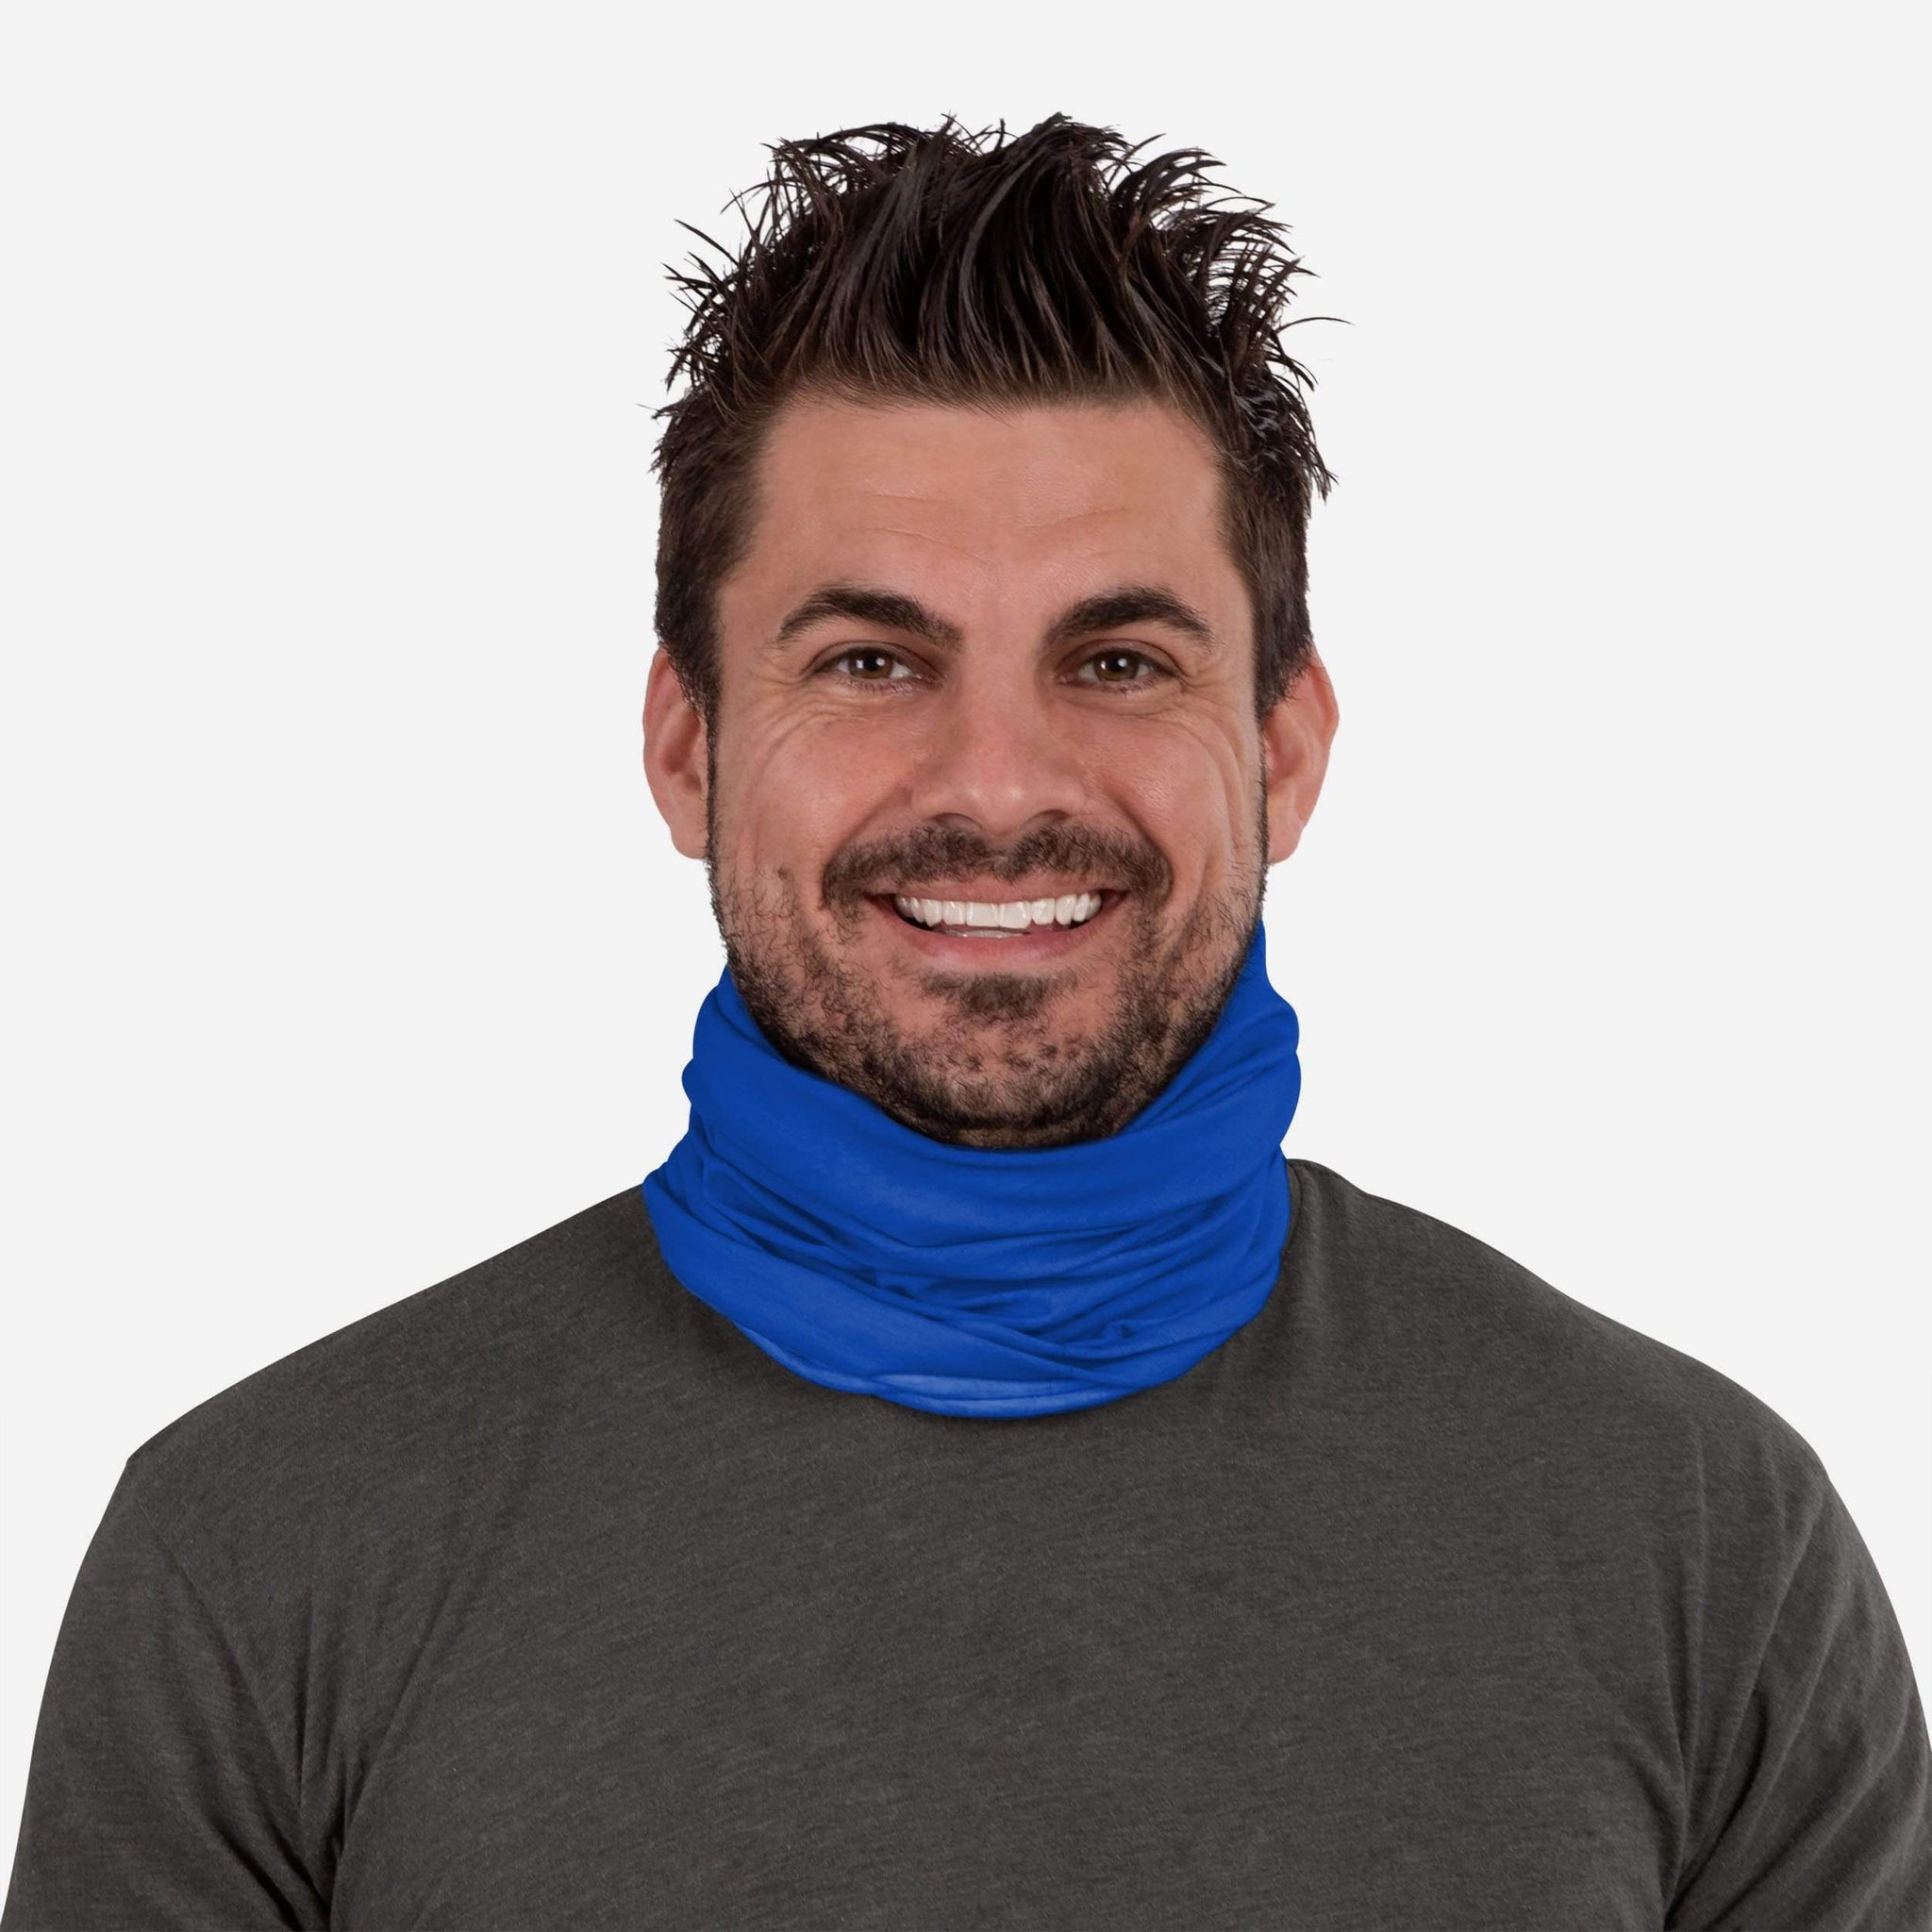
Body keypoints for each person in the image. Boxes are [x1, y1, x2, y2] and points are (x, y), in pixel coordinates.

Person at [4, 112, 1926, 1930]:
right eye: (870, 659)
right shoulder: (261, 1558)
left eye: (1118, 659)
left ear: (1283, 749)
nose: (998, 783)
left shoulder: (1700, 1545)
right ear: (687, 749)